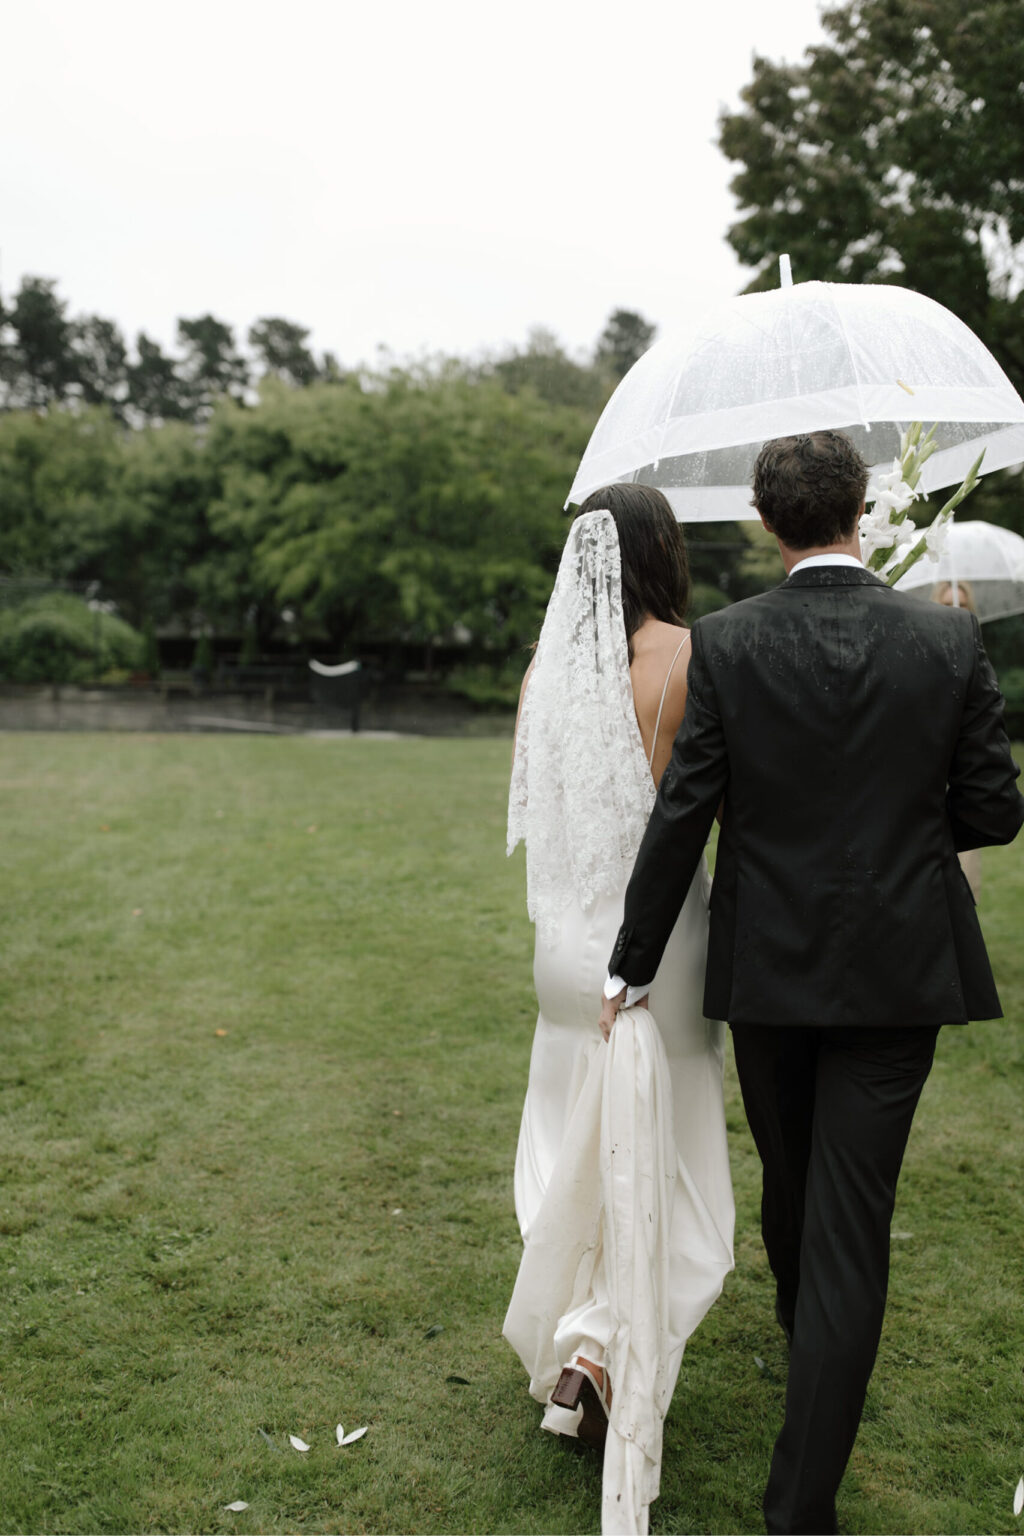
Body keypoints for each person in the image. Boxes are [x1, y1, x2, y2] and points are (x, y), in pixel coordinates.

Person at [601, 431, 1024, 1535]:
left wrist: (630, 961)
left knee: (801, 1189)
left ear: (764, 521)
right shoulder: (944, 638)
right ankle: (815, 1352)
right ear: (861, 510)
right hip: (902, 966)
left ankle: (802, 1491)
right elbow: (995, 808)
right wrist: (902, 834)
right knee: (836, 1212)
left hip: (771, 969)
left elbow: (683, 812)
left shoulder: (727, 642)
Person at [504, 486, 734, 1531]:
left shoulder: (544, 670)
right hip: (657, 946)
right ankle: (600, 1348)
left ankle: (577, 1337)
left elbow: (540, 813)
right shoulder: (689, 657)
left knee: (566, 1135)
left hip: (563, 946)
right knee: (666, 1148)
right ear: (663, 555)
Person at [931, 579, 984, 897]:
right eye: (948, 603)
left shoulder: (974, 658)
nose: (955, 609)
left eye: (962, 605)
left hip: (961, 779)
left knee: (966, 883)